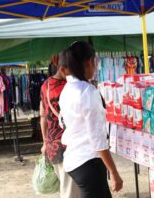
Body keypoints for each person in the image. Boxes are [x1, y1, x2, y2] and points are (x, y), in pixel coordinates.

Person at [59, 41, 123, 198]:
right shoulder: (87, 91)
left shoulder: (67, 89)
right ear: (89, 62)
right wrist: (114, 172)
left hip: (75, 160)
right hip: (88, 161)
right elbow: (97, 138)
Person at [40, 55, 80, 198]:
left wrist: (45, 142)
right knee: (71, 191)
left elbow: (43, 117)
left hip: (52, 145)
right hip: (69, 145)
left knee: (66, 188)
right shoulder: (71, 86)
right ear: (63, 67)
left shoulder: (46, 86)